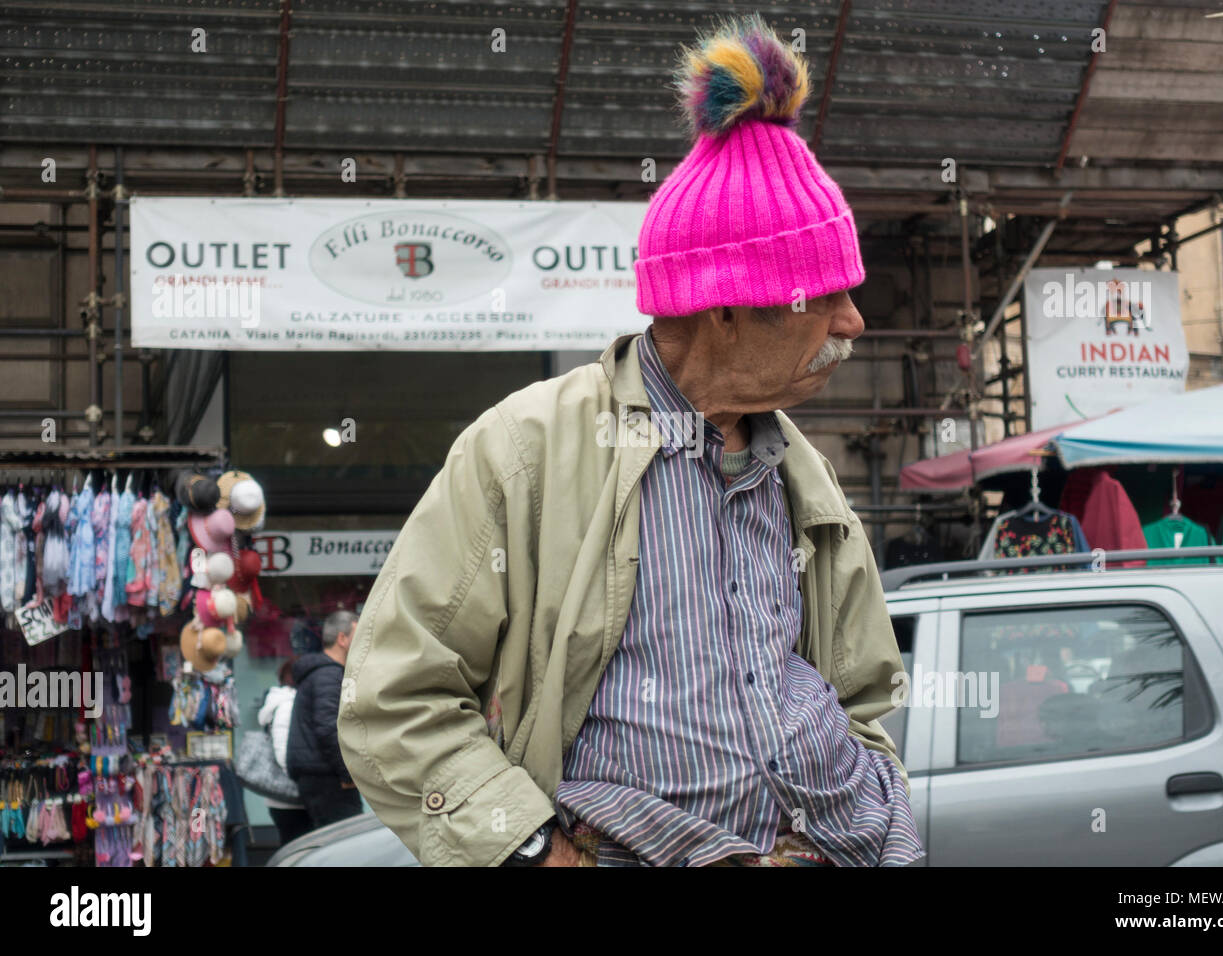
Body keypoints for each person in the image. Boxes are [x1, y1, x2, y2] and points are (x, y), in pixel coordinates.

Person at [339, 15, 923, 868]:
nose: (852, 323)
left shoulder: (805, 476)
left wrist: (865, 804)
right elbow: (393, 701)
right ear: (723, 308)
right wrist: (536, 853)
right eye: (821, 296)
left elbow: (863, 696)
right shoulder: (523, 452)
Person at [287, 610, 361, 829]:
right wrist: (347, 774)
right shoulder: (328, 675)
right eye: (359, 635)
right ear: (342, 639)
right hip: (328, 778)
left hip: (320, 775)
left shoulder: (322, 673)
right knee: (346, 845)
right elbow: (329, 728)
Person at [258, 658, 312, 847]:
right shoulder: (288, 705)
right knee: (298, 850)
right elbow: (283, 753)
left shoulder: (286, 702)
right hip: (289, 797)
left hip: (286, 798)